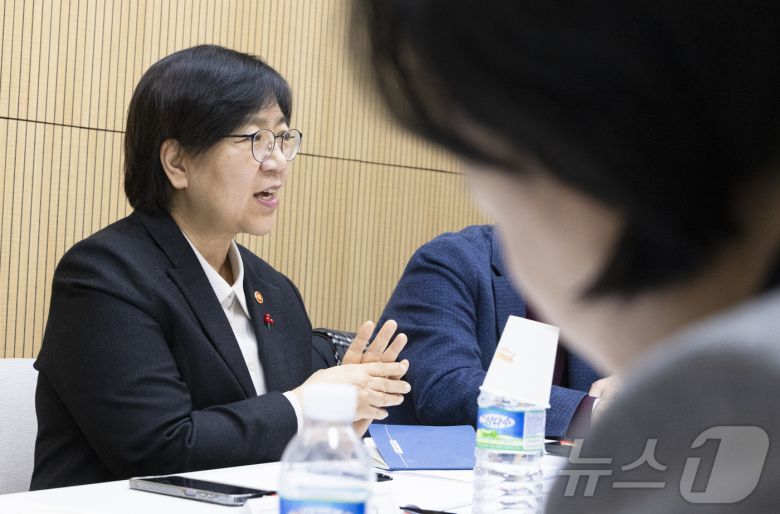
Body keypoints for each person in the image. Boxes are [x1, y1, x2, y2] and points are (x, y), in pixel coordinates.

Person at [354, 1, 780, 511]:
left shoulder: (723, 397)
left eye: (485, 171)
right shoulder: (451, 262)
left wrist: (624, 399)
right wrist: (597, 407)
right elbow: (448, 389)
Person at [31, 45, 410, 490]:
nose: (278, 163)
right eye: (256, 140)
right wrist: (308, 406)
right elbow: (160, 450)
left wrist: (336, 422)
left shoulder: (276, 291)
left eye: (283, 139)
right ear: (177, 163)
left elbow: (268, 440)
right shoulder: (104, 275)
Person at [378, 225, 603, 437]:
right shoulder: (449, 260)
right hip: (438, 459)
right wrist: (588, 411)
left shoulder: (604, 282)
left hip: (562, 459)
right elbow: (446, 387)